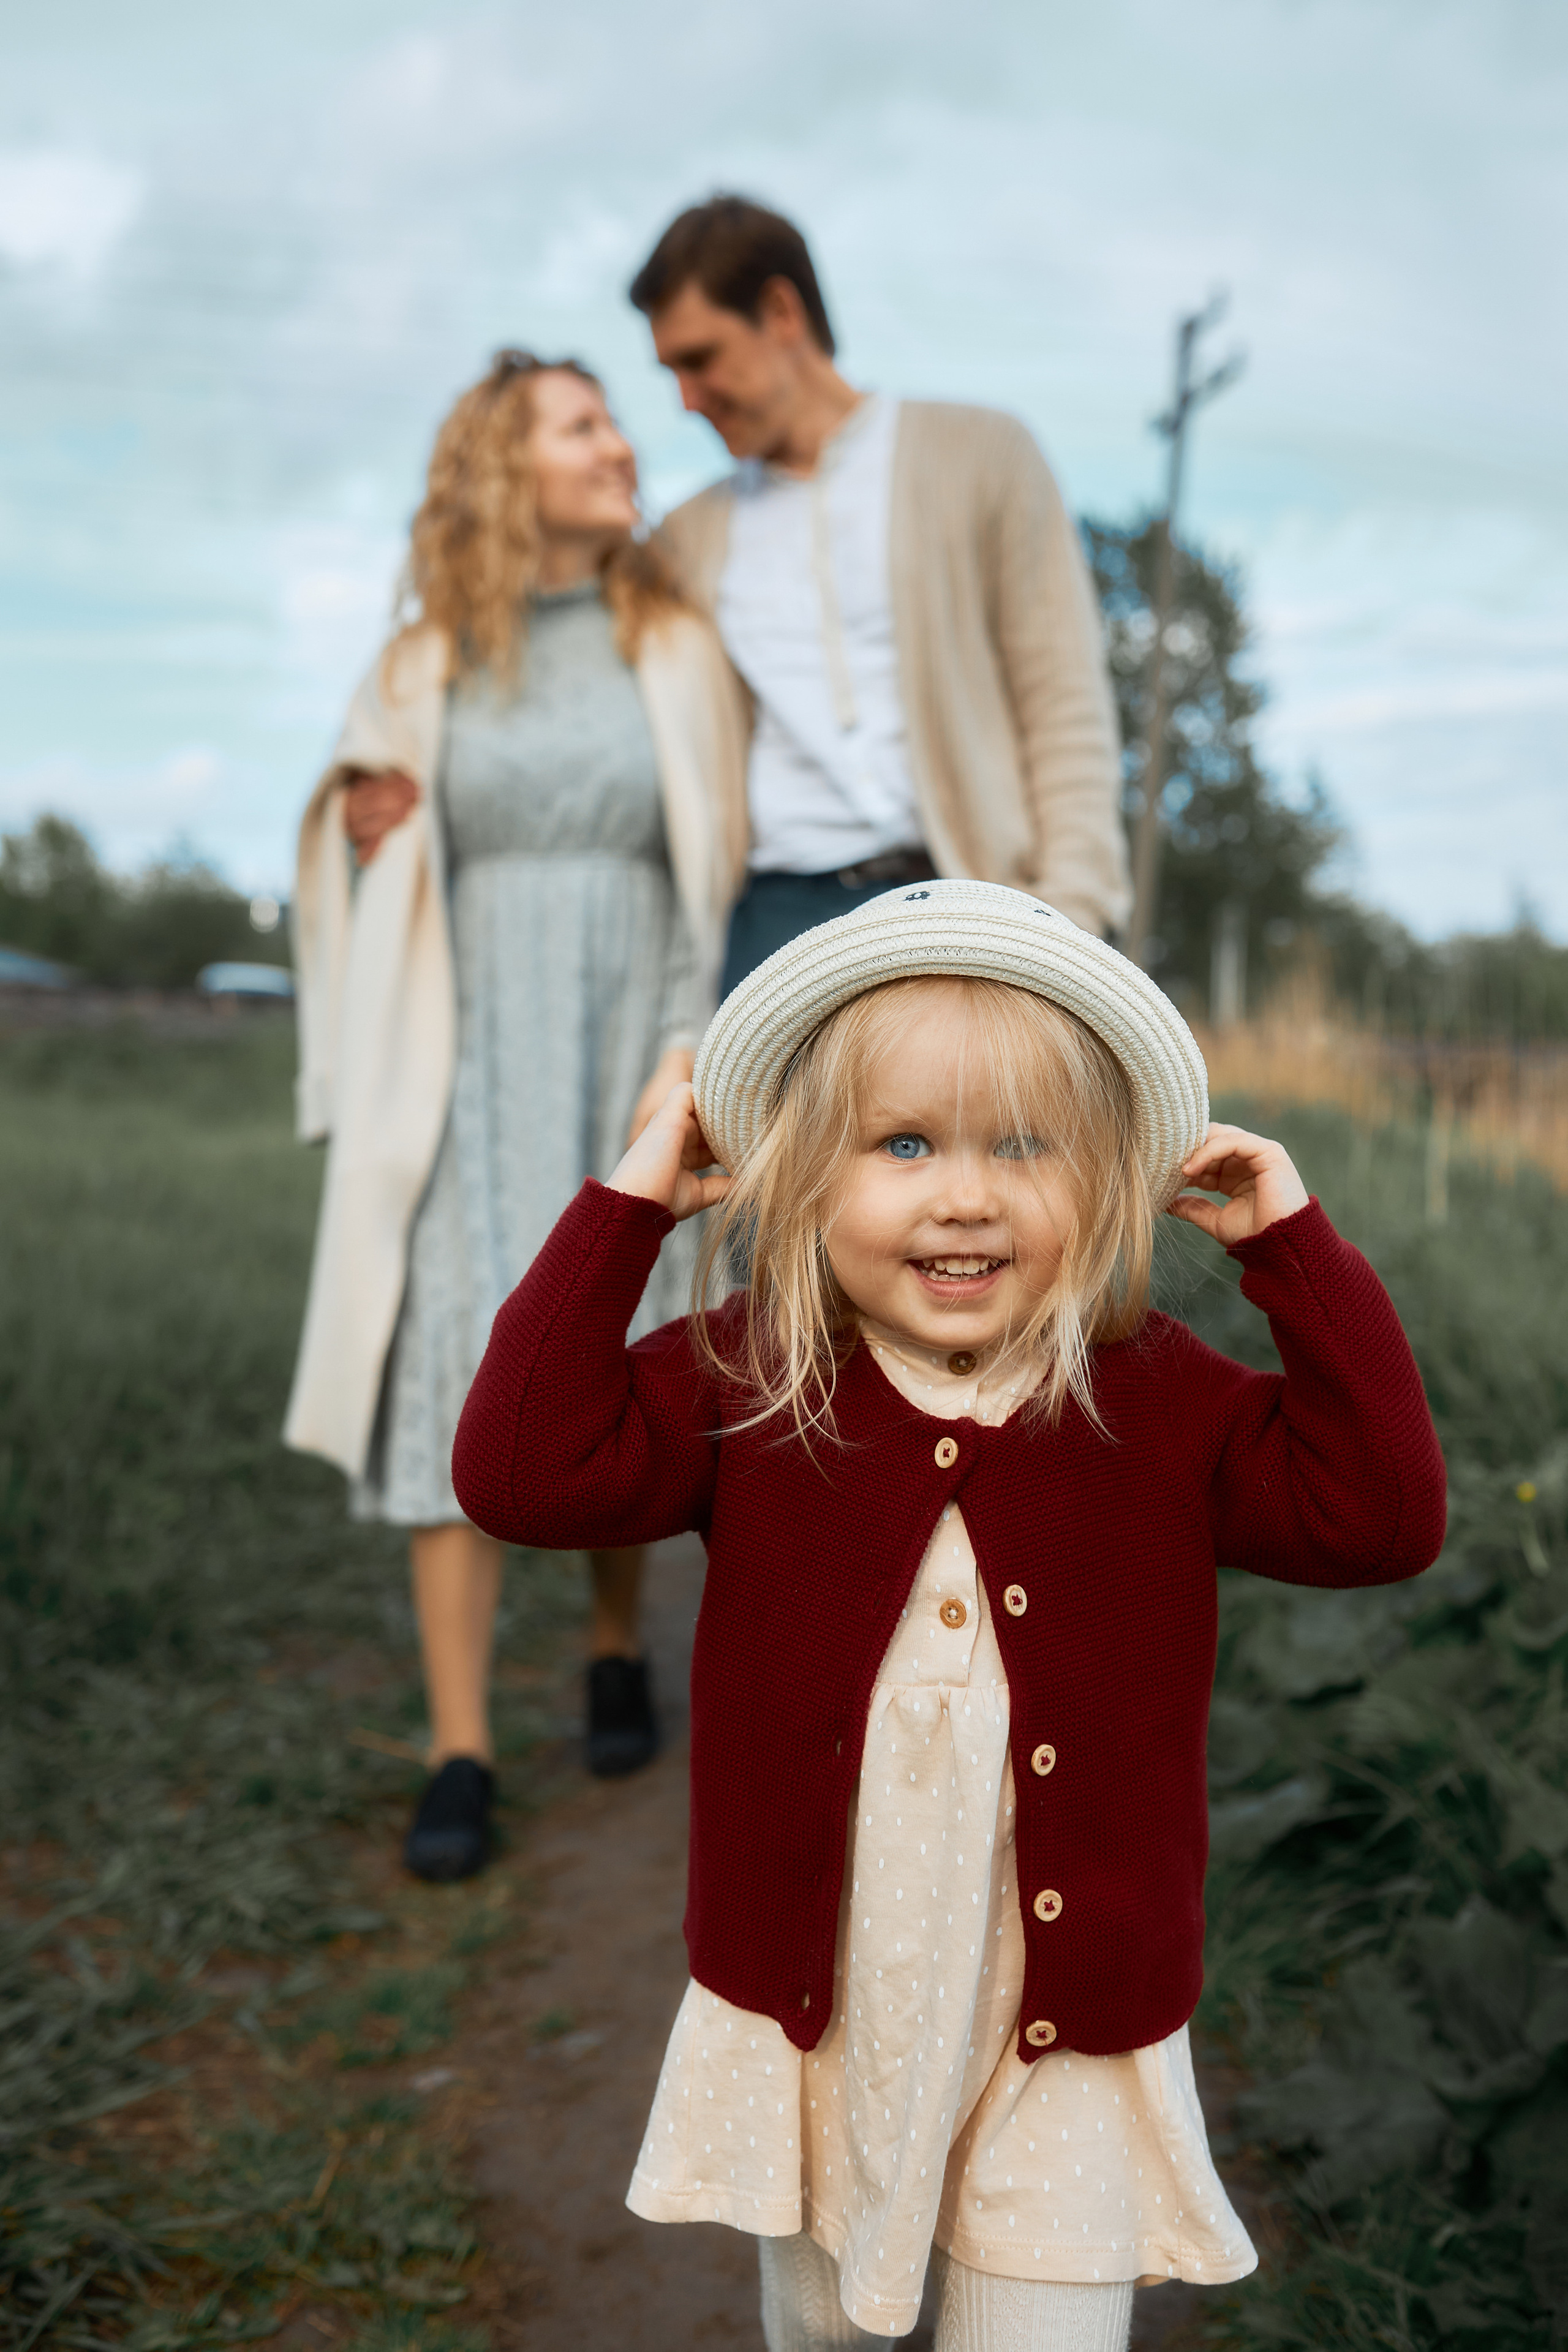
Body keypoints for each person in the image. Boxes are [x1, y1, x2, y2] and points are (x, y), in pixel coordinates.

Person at [450, 879, 1447, 2350]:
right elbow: (522, 1474)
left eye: (1024, 1149)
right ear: (801, 1176)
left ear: (1106, 1182)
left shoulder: (1153, 1396)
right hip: (824, 2020)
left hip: (1069, 2032)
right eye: (902, 1145)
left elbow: (1380, 1517)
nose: (963, 1196)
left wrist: (1287, 1254)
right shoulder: (752, 1373)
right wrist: (627, 1209)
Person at [285, 350, 748, 1880]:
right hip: (465, 1057)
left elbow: (714, 870)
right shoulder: (423, 665)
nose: (620, 444)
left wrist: (687, 1050)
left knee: (611, 1361)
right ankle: (460, 1743)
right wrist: (360, 830)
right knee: (456, 1355)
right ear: (505, 468)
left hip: (634, 1038)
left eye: (614, 417)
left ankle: (615, 1640)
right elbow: (366, 844)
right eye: (581, 424)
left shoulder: (675, 644)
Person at [628, 195, 1132, 997]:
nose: (687, 399)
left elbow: (1064, 704)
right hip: (770, 927)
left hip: (966, 903)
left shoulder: (984, 456)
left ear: (782, 311)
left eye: (702, 359)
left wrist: (1069, 924)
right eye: (672, 373)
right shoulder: (686, 537)